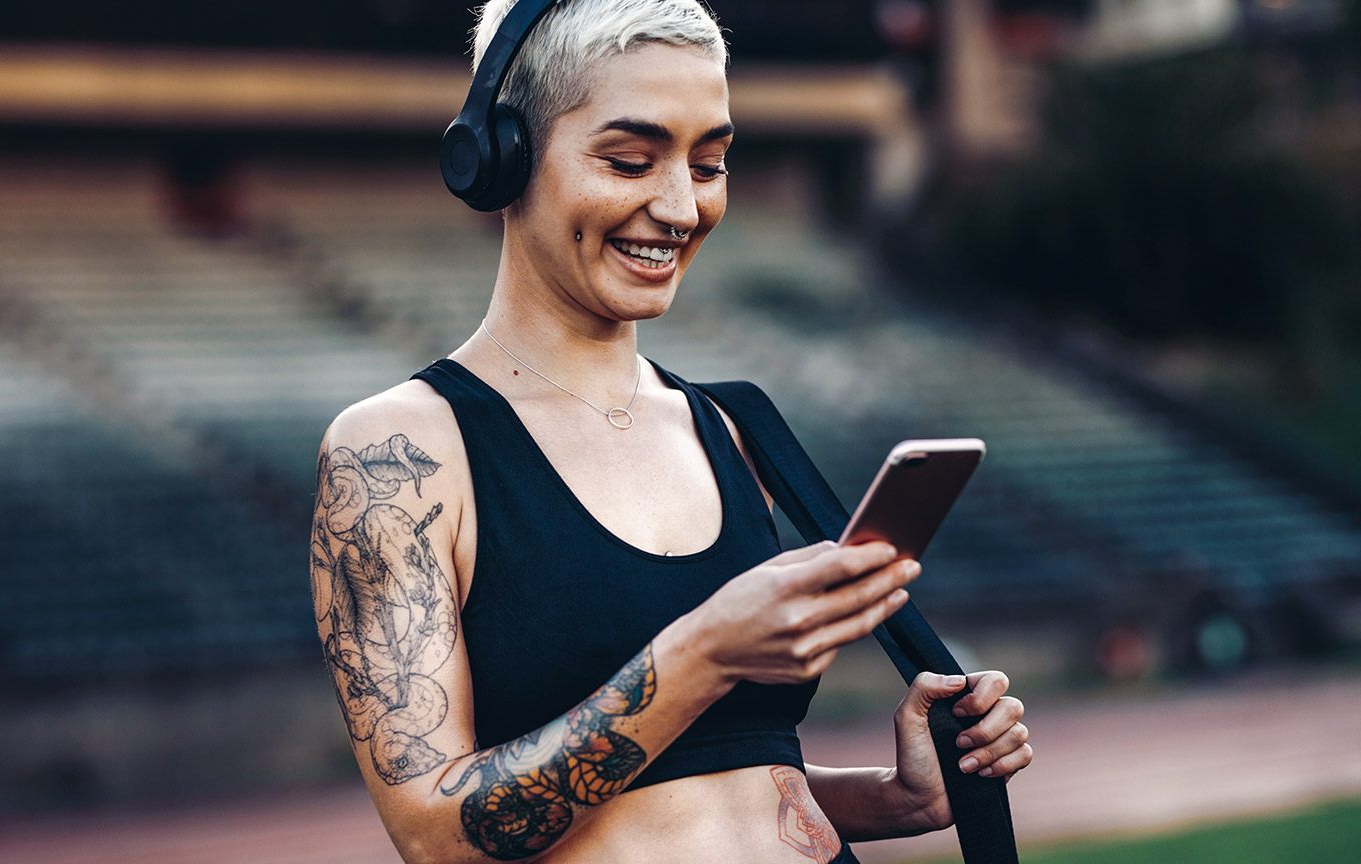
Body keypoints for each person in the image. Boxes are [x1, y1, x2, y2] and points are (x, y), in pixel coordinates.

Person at [308, 1, 1031, 861]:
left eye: (711, 162)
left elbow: (720, 782)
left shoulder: (734, 427)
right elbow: (438, 837)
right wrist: (704, 652)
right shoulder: (399, 457)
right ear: (501, 157)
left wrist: (895, 796)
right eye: (631, 160)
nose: (682, 207)